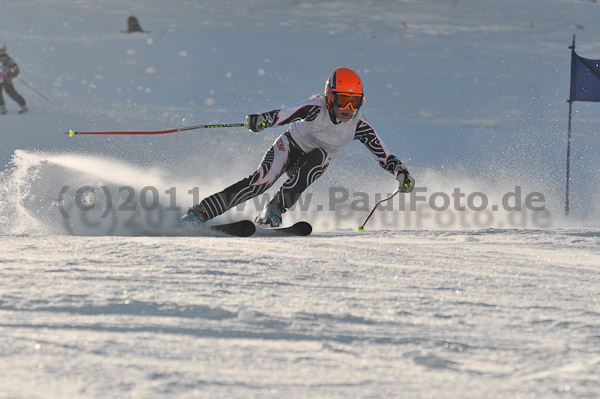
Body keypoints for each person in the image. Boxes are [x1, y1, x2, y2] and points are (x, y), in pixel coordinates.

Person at [183, 67, 415, 227]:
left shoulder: (358, 125)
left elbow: (383, 154)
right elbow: (285, 114)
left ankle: (274, 209)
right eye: (342, 100)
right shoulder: (316, 107)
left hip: (312, 163)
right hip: (289, 147)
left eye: (353, 102)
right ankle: (200, 213)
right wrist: (262, 120)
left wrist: (400, 171)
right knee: (260, 182)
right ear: (329, 97)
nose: (347, 108)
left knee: (320, 157)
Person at [0, 44, 27, 115]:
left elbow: (16, 67)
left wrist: (14, 73)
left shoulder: (8, 58)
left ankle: (23, 106)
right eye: (0, 50)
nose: (1, 52)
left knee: (12, 93)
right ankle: (3, 109)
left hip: (7, 80)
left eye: (3, 50)